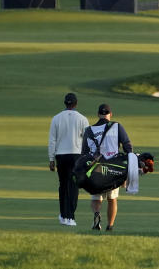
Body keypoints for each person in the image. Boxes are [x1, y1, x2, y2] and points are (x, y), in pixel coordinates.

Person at [82, 104, 132, 231]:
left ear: (98, 114)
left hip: (96, 168)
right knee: (112, 198)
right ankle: (110, 226)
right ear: (111, 114)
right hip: (112, 168)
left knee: (96, 198)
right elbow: (127, 145)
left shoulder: (89, 130)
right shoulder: (117, 126)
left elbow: (84, 153)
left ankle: (96, 215)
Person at [48, 92, 90, 227]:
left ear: (65, 103)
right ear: (76, 103)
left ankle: (63, 215)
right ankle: (70, 216)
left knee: (63, 185)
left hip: (61, 155)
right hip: (76, 156)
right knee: (73, 186)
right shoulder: (82, 119)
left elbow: (52, 140)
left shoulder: (56, 118)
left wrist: (51, 159)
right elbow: (86, 141)